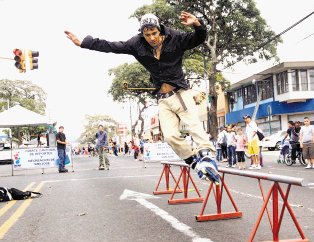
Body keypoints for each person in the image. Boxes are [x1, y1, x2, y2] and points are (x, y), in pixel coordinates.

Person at [65, 12, 221, 183]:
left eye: (154, 33)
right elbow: (112, 46)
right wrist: (85, 44)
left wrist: (197, 24)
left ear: (160, 30)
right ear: (142, 34)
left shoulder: (175, 38)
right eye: (147, 35)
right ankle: (194, 163)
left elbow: (198, 38)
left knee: (193, 124)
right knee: (169, 136)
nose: (152, 38)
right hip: (162, 98)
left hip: (180, 93)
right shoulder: (136, 44)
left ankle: (208, 156)